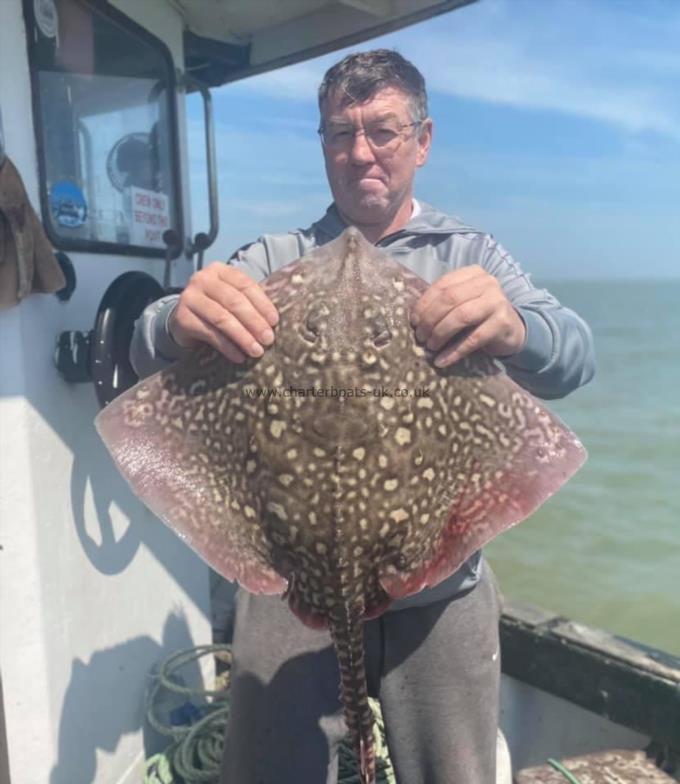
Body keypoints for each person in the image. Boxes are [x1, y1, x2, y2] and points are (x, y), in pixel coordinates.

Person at [130, 50, 594, 784]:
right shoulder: (275, 259)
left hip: (441, 582)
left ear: (423, 139)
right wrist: (171, 322)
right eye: (340, 134)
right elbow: (151, 348)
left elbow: (574, 358)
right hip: (289, 582)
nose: (360, 152)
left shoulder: (469, 256)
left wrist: (517, 328)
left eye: (382, 130)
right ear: (322, 145)